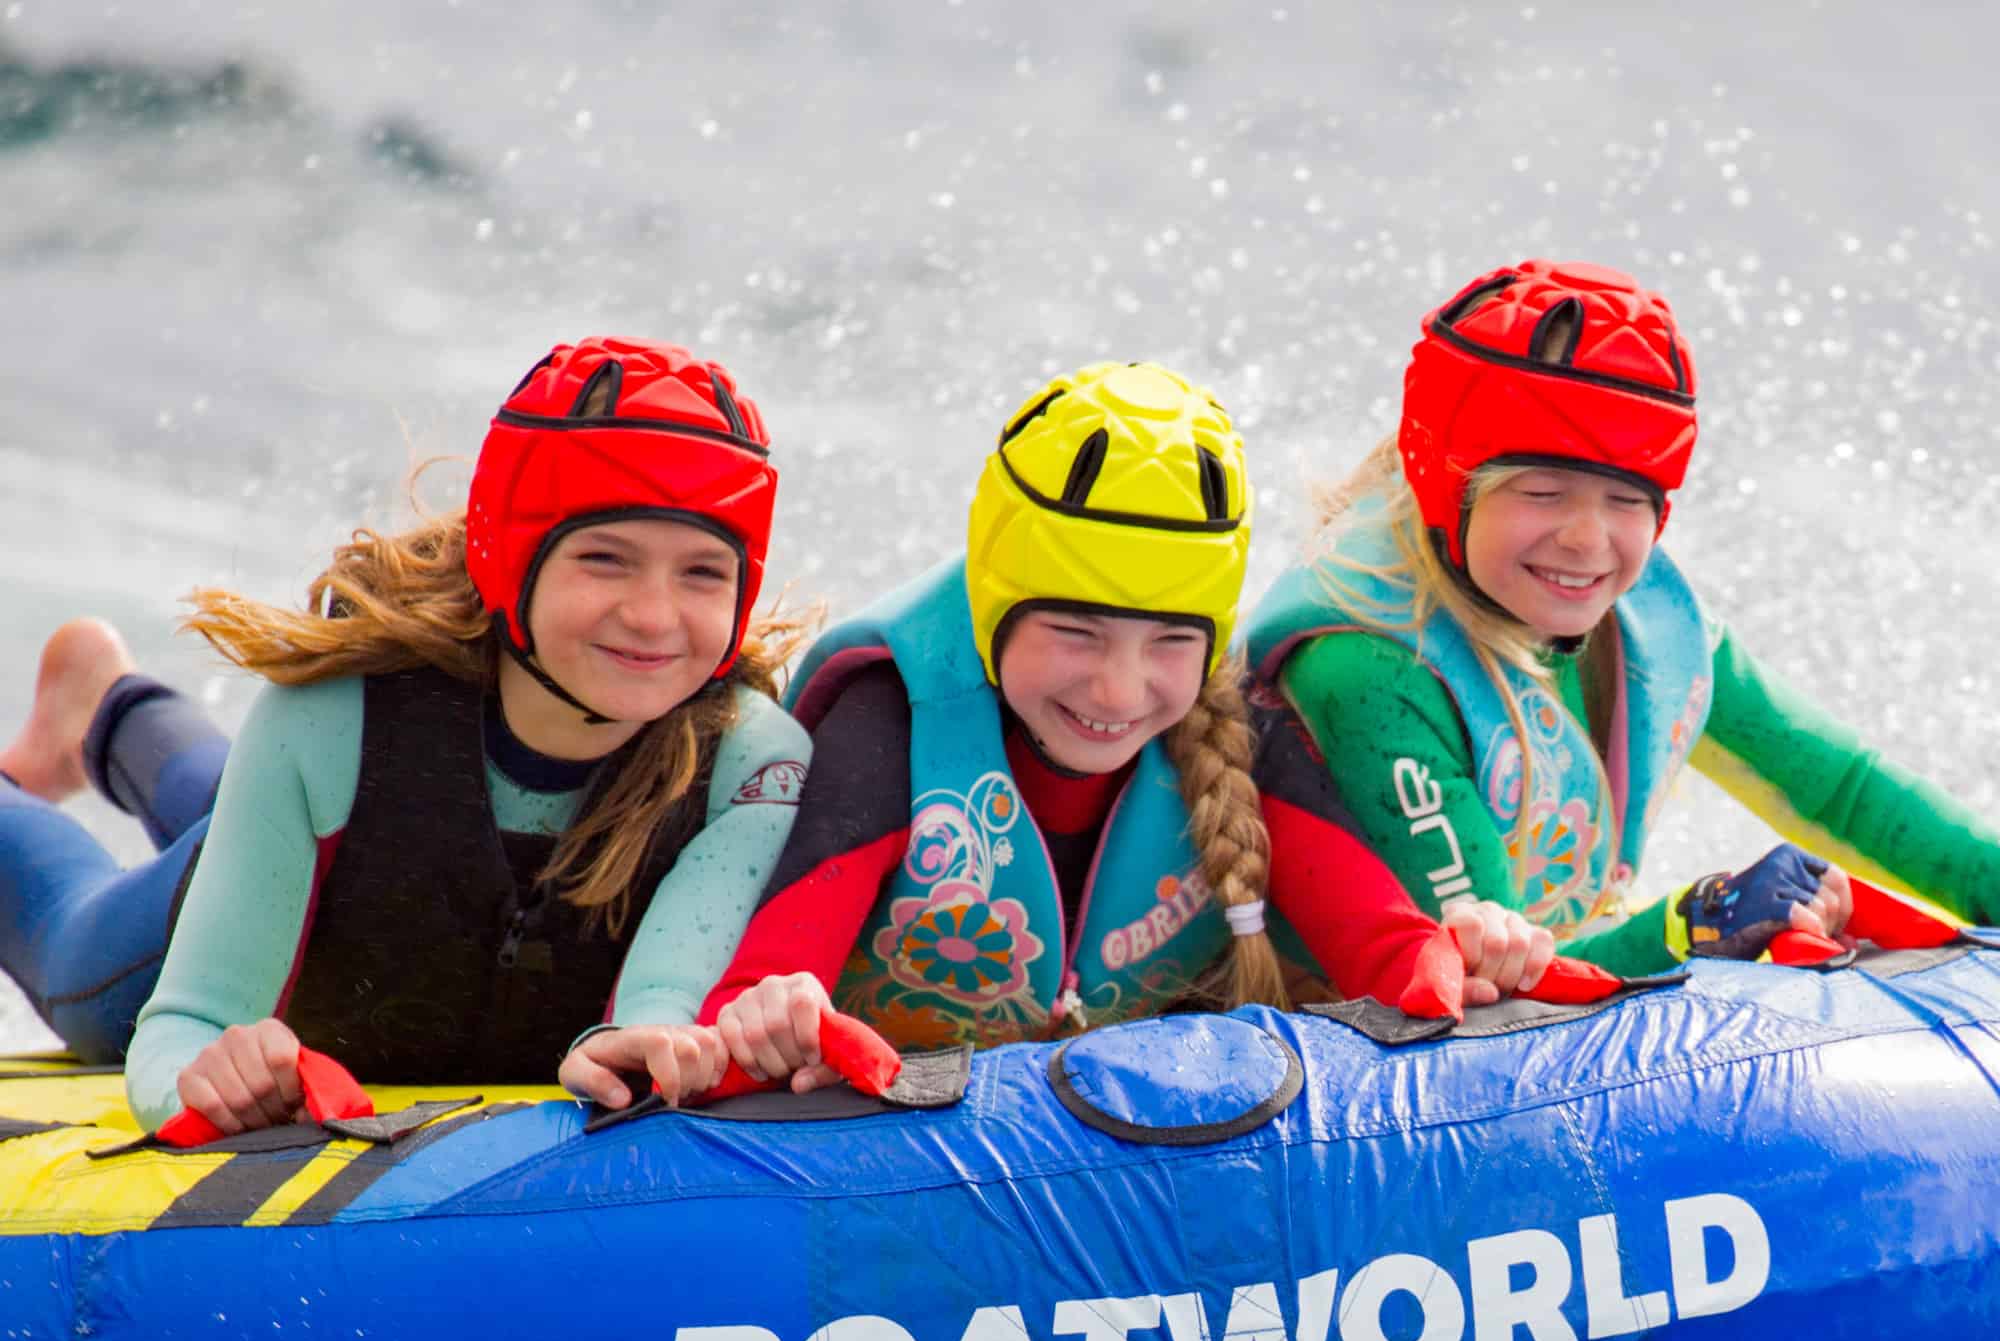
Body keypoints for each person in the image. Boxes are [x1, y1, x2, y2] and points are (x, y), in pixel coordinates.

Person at [0, 337, 811, 1131]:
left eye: (703, 571)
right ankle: (93, 719)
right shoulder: (333, 721)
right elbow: (187, 1025)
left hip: (332, 833)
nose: (653, 616)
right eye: (604, 558)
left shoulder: (750, 761)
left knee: (252, 791)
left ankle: (99, 709)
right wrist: (202, 1079)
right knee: (73, 946)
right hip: (243, 909)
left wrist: (657, 1053)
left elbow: (661, 1008)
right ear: (506, 555)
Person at [697, 361, 1552, 1091]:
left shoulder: (1240, 731)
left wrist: (1479, 955)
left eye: (1170, 642)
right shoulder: (893, 720)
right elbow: (759, 987)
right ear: (995, 609)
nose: (1118, 690)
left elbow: (1392, 951)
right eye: (1076, 632)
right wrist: (771, 1014)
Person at [1244, 260, 2000, 974]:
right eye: (1542, 490)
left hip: (1568, 958)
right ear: (1446, 480)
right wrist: (1696, 923)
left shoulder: (1648, 620)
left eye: (1627, 499)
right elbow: (1498, 977)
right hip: (1368, 1022)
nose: (1586, 539)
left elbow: (1843, 793)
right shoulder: (1369, 663)